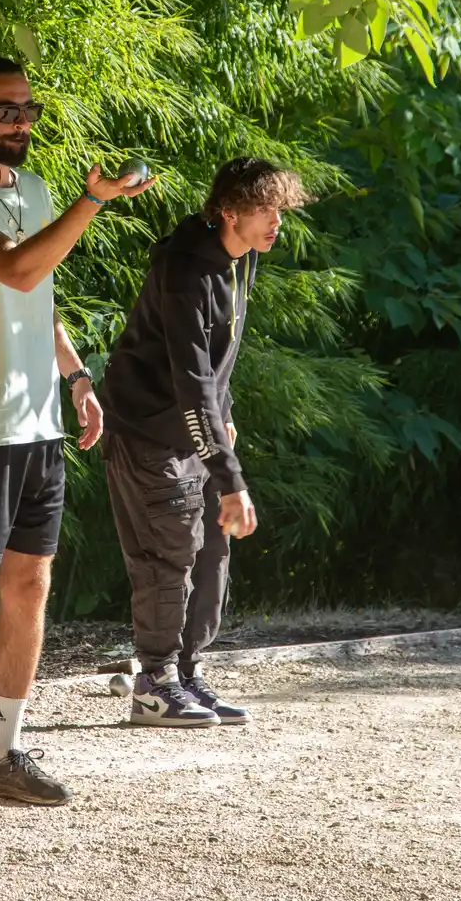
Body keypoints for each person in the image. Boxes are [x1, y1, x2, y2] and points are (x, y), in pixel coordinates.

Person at [0, 53, 155, 815]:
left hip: (38, 422)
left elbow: (38, 293)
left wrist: (75, 377)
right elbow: (15, 269)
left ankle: (4, 755)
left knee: (29, 586)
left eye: (27, 109)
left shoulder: (36, 191)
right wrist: (93, 202)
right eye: (5, 109)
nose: (20, 121)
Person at [97, 157, 309, 727]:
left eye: (280, 210)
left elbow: (220, 362)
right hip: (148, 432)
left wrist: (226, 417)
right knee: (169, 555)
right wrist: (231, 477)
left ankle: (187, 673)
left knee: (213, 554)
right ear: (230, 212)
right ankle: (154, 683)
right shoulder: (186, 268)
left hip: (196, 429)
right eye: (265, 210)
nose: (276, 222)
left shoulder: (240, 260)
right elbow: (191, 379)